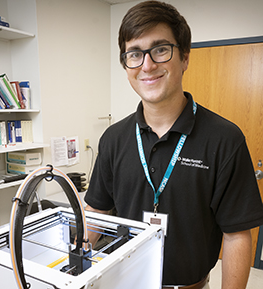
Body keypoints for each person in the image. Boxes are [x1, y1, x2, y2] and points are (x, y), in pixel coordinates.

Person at [84, 1, 263, 288]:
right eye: (135, 54)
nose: (147, 65)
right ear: (125, 63)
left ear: (185, 58)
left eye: (160, 50)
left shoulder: (225, 139)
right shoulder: (114, 138)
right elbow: (98, 210)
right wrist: (70, 264)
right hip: (119, 282)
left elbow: (237, 234)